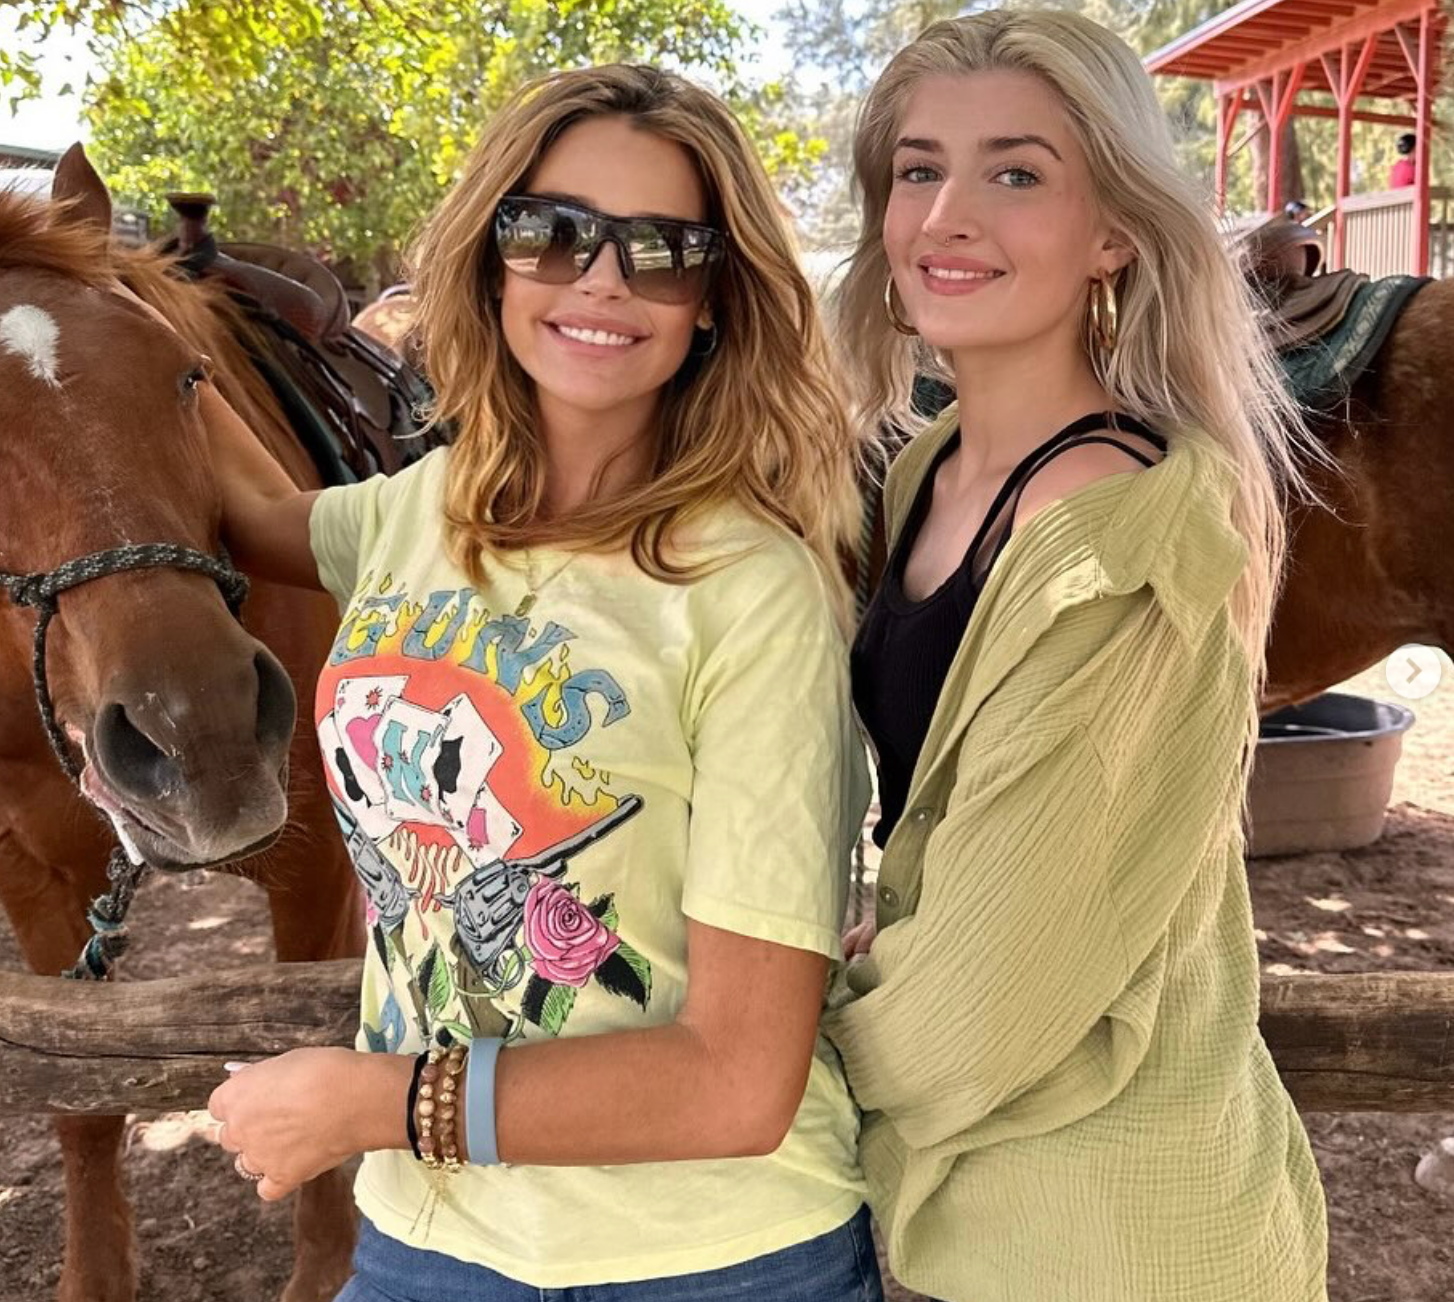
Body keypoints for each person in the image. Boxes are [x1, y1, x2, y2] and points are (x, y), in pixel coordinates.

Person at [199, 63, 884, 1301]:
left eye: (662, 251)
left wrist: (373, 1100)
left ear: (714, 298)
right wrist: (132, 319)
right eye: (550, 230)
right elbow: (234, 510)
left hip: (708, 1260)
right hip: (426, 1243)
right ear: (490, 258)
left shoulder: (747, 587)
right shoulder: (413, 513)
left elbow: (736, 1080)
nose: (602, 279)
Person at [825, 9, 1330, 1301]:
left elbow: (984, 996)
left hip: (1109, 1229)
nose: (945, 214)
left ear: (1112, 228)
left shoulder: (1126, 534)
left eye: (1015, 172)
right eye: (918, 169)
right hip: (991, 1204)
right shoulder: (932, 469)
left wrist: (750, 1041)